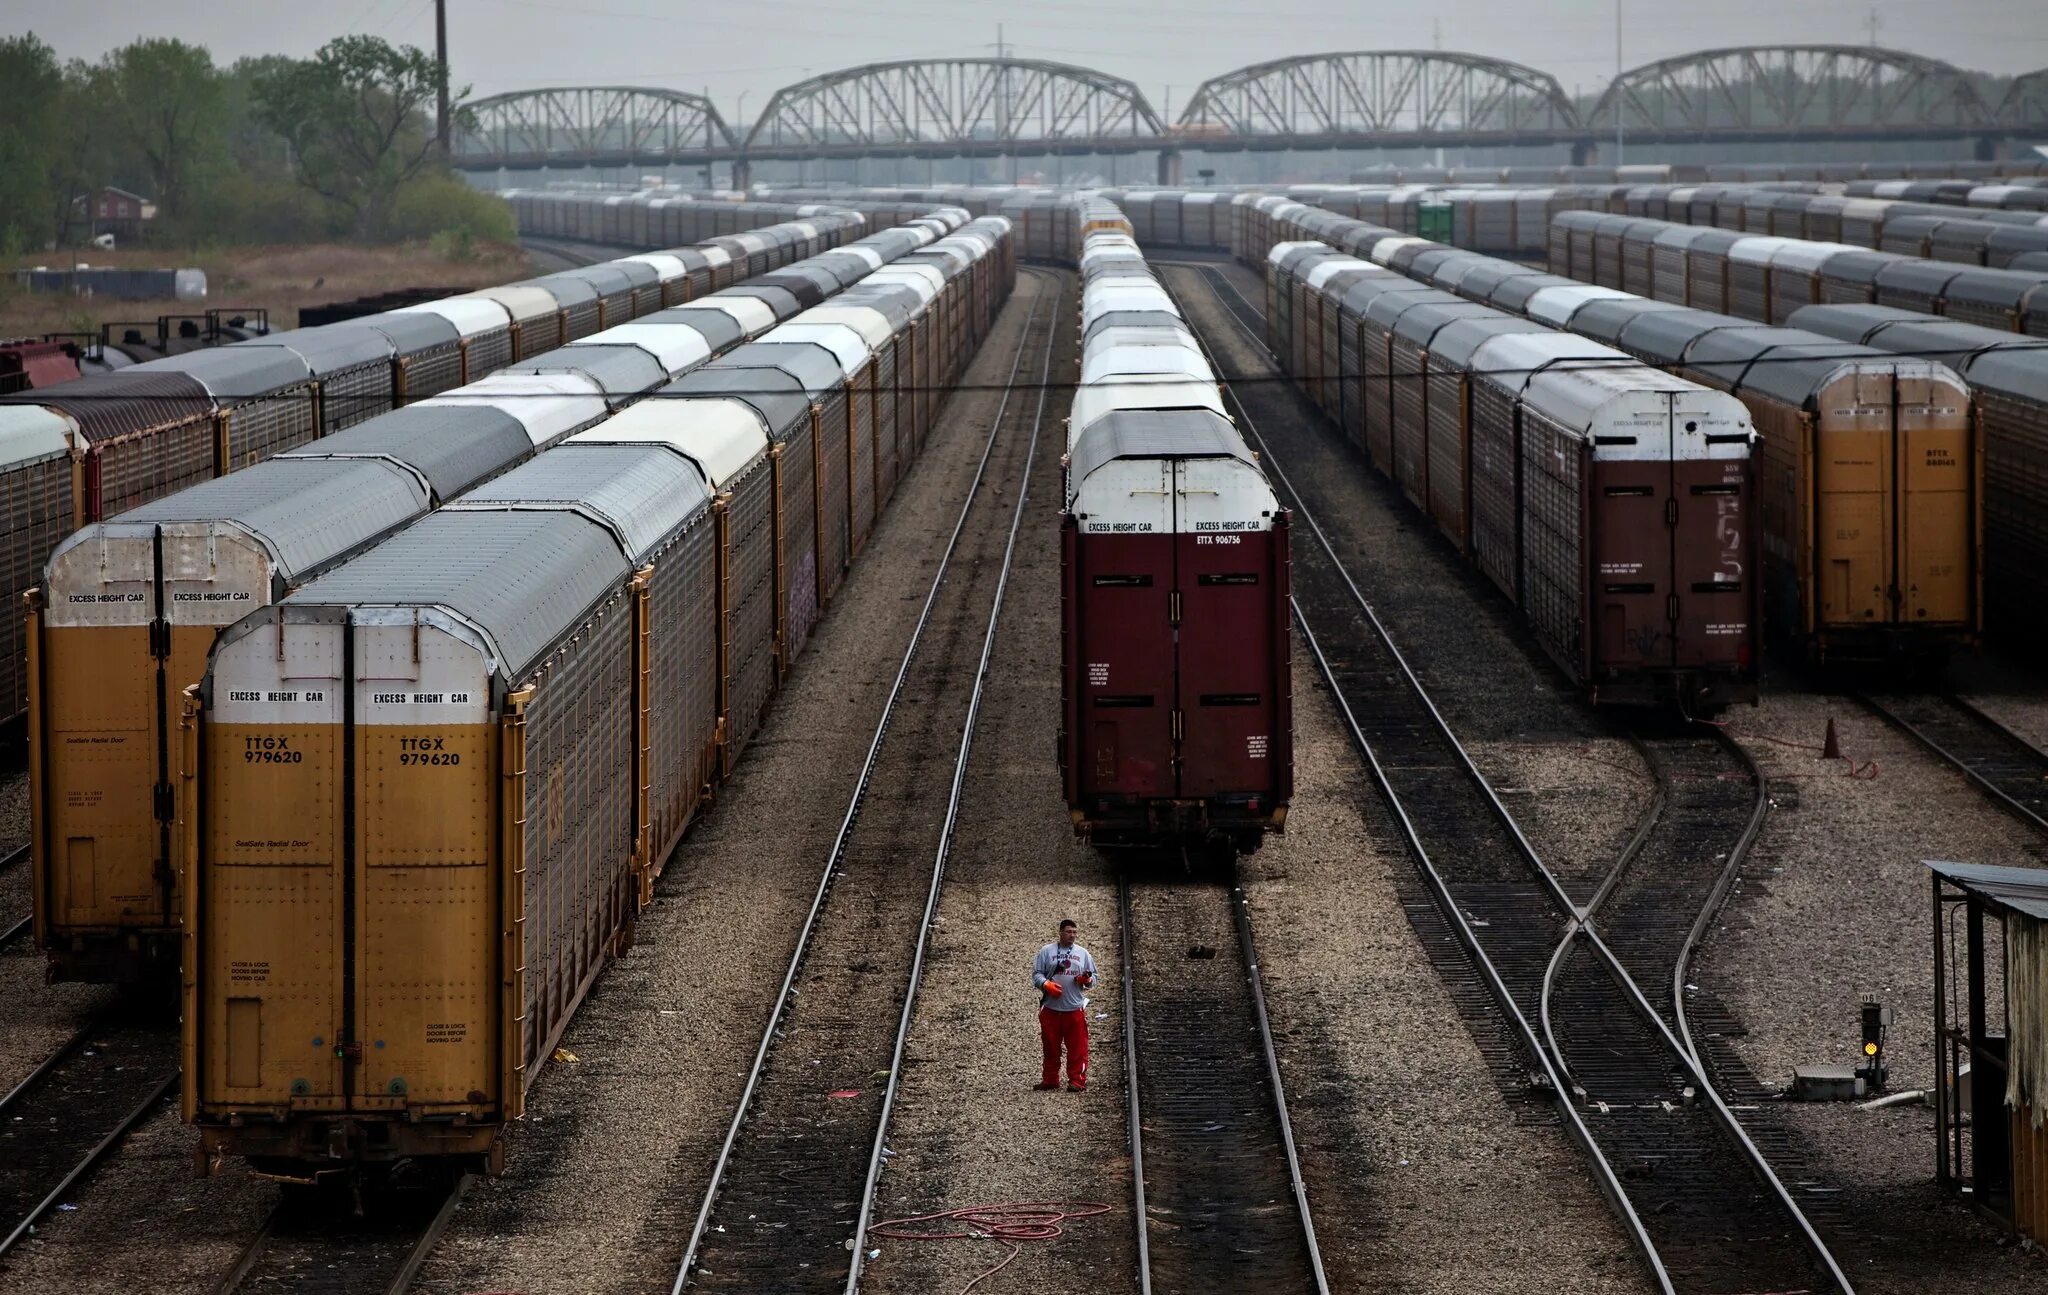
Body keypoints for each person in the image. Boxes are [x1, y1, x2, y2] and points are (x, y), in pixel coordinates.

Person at [1032, 919, 1096, 1092]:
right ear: (1060, 932)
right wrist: (1045, 984)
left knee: (1078, 1048)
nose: (1072, 935)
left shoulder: (1083, 954)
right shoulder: (1046, 951)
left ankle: (1077, 1080)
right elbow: (1037, 974)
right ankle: (1050, 1079)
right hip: (1051, 1009)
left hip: (1074, 1008)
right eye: (1068, 932)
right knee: (1050, 1047)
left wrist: (1087, 980)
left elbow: (1094, 978)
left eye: (1075, 932)